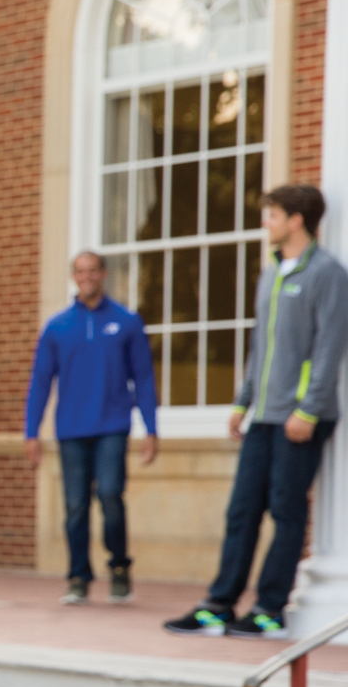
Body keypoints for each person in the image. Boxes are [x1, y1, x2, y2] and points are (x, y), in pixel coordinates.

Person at [166, 184, 348, 640]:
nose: (265, 223)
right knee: (242, 510)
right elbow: (259, 346)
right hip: (264, 414)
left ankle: (269, 608)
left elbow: (328, 350)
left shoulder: (327, 273)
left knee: (286, 511)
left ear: (296, 220)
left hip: (302, 417)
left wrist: (307, 410)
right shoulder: (270, 273)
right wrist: (242, 400)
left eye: (271, 215)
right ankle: (219, 605)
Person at [23, 250, 159, 606]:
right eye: (80, 271)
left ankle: (119, 568)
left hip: (112, 426)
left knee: (111, 496)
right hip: (70, 429)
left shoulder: (127, 322)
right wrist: (31, 432)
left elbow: (143, 378)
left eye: (92, 270)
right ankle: (78, 577)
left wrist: (151, 428)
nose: (86, 277)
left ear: (104, 274)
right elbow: (40, 382)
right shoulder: (57, 327)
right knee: (75, 506)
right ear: (73, 277)